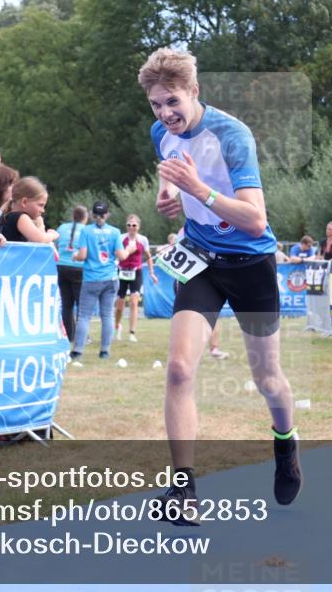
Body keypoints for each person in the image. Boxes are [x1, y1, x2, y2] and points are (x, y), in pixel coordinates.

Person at [140, 47, 301, 524]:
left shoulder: (233, 135)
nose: (165, 114)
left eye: (172, 102)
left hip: (250, 263)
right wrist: (168, 195)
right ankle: (184, 488)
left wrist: (197, 189)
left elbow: (255, 220)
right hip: (201, 260)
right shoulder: (159, 134)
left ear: (194, 91)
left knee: (267, 379)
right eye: (155, 105)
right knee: (178, 370)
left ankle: (286, 443)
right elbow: (172, 172)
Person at [71, 200, 137, 364]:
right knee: (107, 315)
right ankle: (104, 352)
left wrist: (75, 256)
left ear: (93, 215)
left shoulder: (86, 231)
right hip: (110, 279)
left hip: (91, 279)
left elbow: (83, 255)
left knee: (84, 316)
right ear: (107, 214)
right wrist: (130, 249)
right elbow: (122, 256)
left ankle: (78, 351)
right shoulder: (115, 232)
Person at [114, 214, 158, 343]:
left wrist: (151, 273)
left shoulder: (143, 240)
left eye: (134, 225)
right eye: (129, 225)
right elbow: (115, 253)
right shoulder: (121, 238)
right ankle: (117, 326)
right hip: (122, 272)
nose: (131, 227)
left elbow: (148, 256)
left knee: (134, 302)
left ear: (138, 227)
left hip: (136, 272)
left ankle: (132, 332)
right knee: (120, 304)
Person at [56, 205, 89, 345]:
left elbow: (56, 246)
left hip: (61, 267)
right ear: (85, 217)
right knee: (82, 305)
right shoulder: (87, 230)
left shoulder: (62, 228)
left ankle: (68, 336)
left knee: (66, 304)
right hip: (78, 269)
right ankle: (83, 336)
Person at [0, 177, 59, 245]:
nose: (43, 210)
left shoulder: (6, 215)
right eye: (40, 205)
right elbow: (40, 240)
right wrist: (52, 235)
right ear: (24, 202)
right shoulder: (20, 217)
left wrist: (40, 225)